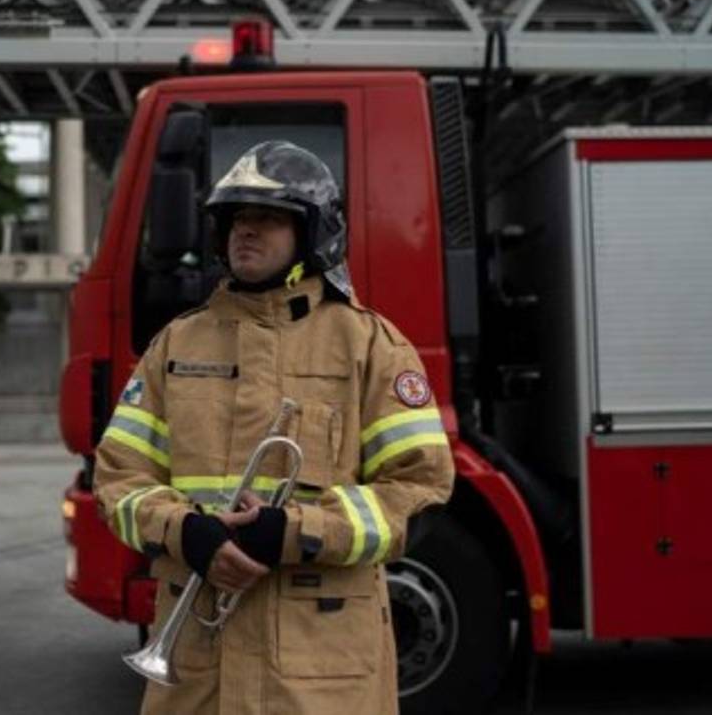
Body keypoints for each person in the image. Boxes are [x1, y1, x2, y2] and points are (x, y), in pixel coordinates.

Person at [93, 140, 455, 714]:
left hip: (321, 674)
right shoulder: (175, 345)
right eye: (237, 218)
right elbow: (118, 478)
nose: (246, 230)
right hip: (197, 667)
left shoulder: (370, 346)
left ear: (314, 234)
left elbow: (420, 493)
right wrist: (186, 532)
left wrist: (295, 531)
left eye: (268, 217)